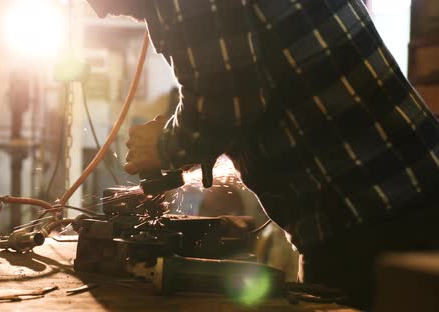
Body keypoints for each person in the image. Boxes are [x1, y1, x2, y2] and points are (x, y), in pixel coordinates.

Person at [86, 0, 439, 308]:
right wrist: (192, 145)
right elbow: (256, 91)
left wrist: (163, 144)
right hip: (397, 200)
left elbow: (225, 103)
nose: (96, 8)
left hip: (383, 219)